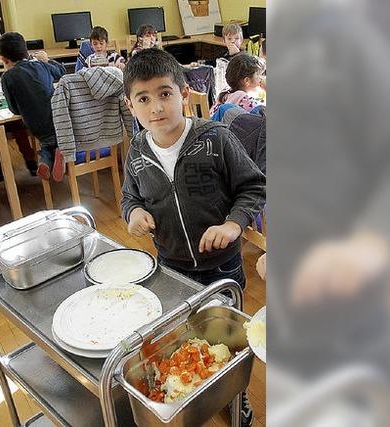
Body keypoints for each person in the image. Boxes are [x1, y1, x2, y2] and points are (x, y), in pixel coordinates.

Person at [121, 48, 265, 427]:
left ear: (184, 93)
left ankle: (237, 396)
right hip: (172, 266)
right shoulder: (136, 151)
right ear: (130, 105)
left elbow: (253, 187)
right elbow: (129, 196)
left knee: (229, 339)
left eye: (165, 93)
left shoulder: (216, 138)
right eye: (143, 98)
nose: (156, 107)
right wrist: (134, 213)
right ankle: (197, 391)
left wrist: (233, 225)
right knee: (184, 337)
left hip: (223, 266)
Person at [0, 32, 66, 181]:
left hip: (36, 126)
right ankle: (60, 152)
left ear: (3, 59)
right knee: (54, 142)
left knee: (46, 144)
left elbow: (14, 109)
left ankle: (45, 162)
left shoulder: (7, 77)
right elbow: (62, 71)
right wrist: (47, 60)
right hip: (58, 119)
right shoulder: (41, 65)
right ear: (26, 51)